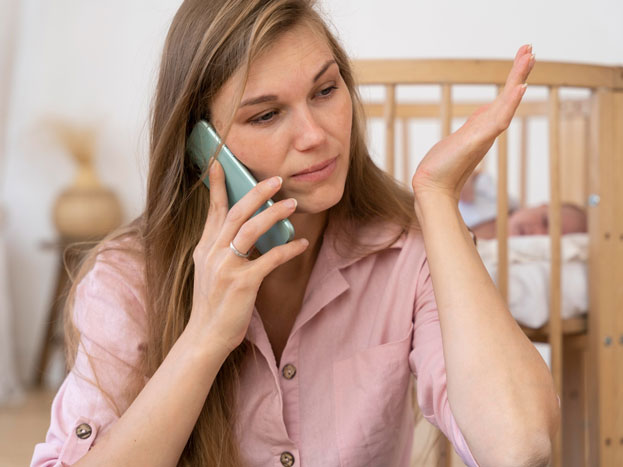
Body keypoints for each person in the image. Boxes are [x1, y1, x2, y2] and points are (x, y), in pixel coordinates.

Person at [32, 1, 559, 466]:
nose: (316, 136)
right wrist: (204, 340)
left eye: (326, 90)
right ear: (201, 144)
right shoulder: (126, 281)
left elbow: (519, 448)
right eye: (266, 116)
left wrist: (438, 196)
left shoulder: (408, 255)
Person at [471, 203, 588, 239]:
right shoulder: (494, 197)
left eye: (546, 239)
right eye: (545, 222)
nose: (537, 233)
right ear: (541, 206)